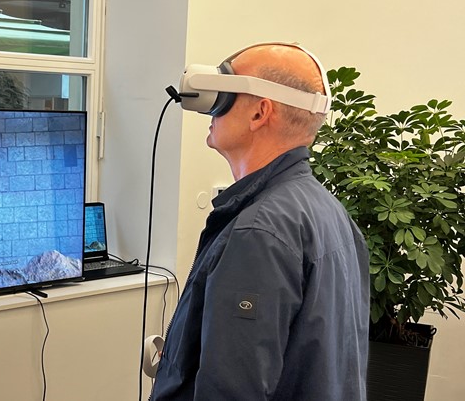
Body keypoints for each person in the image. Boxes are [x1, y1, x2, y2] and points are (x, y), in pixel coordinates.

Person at [150, 43, 369, 400]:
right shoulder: (329, 212)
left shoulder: (259, 234)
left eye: (224, 95)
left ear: (259, 112)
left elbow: (230, 391)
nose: (211, 108)